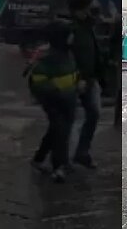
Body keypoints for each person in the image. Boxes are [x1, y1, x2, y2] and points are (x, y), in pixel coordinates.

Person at [28, 21, 78, 183]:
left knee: (56, 130)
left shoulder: (67, 54)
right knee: (61, 130)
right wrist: (57, 93)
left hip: (68, 98)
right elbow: (40, 84)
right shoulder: (48, 59)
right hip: (55, 102)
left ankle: (39, 159)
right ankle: (58, 166)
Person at [68, 0, 103, 169]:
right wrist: (79, 78)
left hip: (90, 79)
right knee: (69, 119)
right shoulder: (72, 28)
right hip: (76, 80)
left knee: (94, 114)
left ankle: (81, 153)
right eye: (88, 5)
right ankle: (62, 158)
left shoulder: (88, 24)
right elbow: (69, 56)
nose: (92, 7)